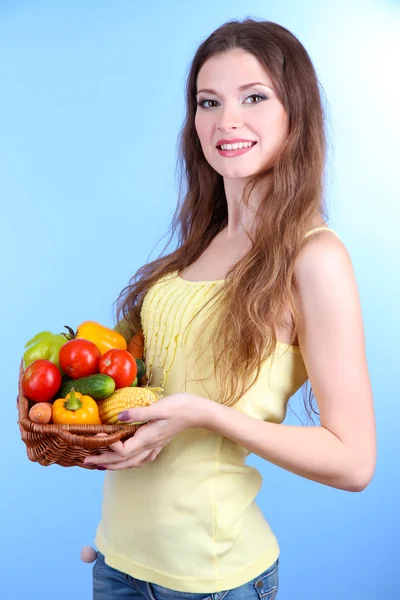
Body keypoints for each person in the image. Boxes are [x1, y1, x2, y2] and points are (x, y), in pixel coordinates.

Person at [84, 18, 376, 600]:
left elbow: (354, 461)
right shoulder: (202, 241)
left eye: (254, 97)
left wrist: (207, 414)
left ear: (296, 114)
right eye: (208, 101)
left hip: (213, 583)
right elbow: (149, 393)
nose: (227, 121)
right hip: (117, 565)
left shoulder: (313, 257)